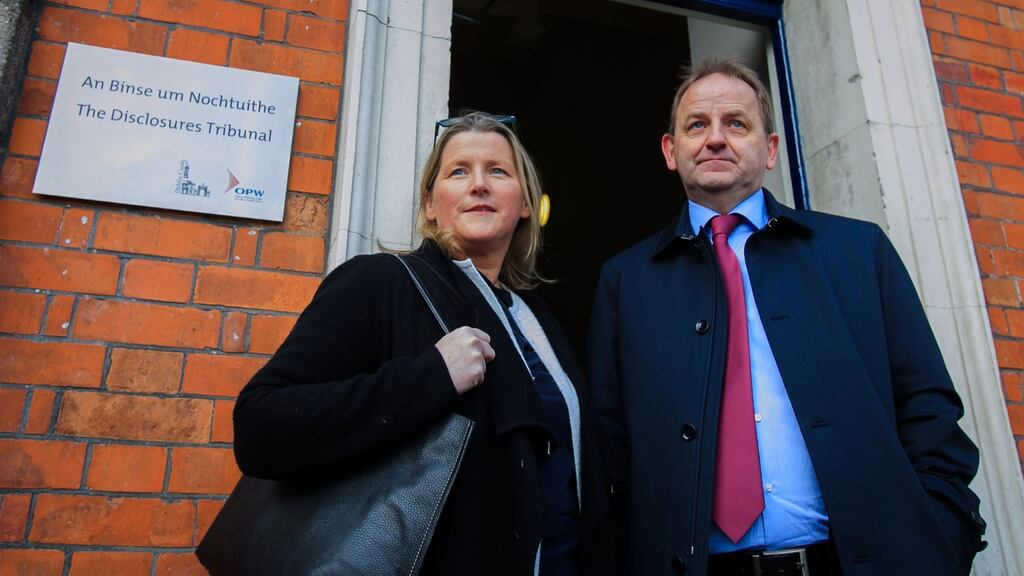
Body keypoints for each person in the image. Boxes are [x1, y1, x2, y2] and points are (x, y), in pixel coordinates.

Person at [587, 58, 986, 576]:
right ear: (670, 150)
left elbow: (928, 406)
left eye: (736, 123)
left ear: (770, 148)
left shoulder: (857, 251)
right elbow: (606, 454)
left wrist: (941, 538)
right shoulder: (625, 282)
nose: (714, 139)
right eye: (696, 125)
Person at [233, 112, 616, 576]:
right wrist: (431, 376)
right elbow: (261, 428)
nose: (479, 185)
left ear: (525, 205)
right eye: (458, 171)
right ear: (431, 204)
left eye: (498, 170)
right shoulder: (381, 284)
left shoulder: (538, 317)